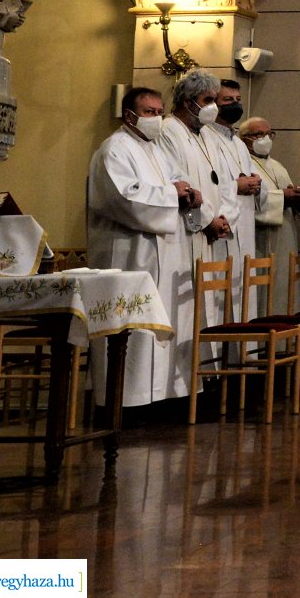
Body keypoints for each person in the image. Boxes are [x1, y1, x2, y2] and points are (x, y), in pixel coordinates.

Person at [86, 87, 204, 413]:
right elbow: (122, 198)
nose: (157, 118)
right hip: (128, 255)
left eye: (159, 111)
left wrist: (190, 194)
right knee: (131, 328)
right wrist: (172, 194)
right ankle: (122, 403)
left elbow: (180, 181)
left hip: (160, 254)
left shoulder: (156, 151)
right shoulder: (114, 150)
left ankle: (157, 399)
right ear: (130, 116)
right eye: (150, 112)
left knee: (157, 328)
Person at [158, 71, 235, 321]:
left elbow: (222, 180)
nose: (212, 107)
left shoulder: (207, 135)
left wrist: (223, 216)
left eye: (214, 100)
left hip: (209, 231)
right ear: (187, 102)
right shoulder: (168, 131)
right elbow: (178, 181)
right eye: (207, 100)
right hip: (186, 230)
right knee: (186, 309)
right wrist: (208, 219)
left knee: (206, 308)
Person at [237, 116, 300, 308]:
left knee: (286, 286)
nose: (265, 138)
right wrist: (284, 197)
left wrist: (298, 198)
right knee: (265, 293)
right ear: (244, 138)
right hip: (261, 239)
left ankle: (287, 335)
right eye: (259, 134)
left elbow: (286, 193)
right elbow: (249, 201)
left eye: (269, 134)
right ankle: (264, 336)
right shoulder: (243, 165)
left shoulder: (277, 165)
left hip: (286, 236)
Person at [211, 79, 265, 268]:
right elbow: (207, 183)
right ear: (213, 104)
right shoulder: (207, 139)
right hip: (224, 226)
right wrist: (236, 186)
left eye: (238, 99)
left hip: (246, 224)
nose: (234, 104)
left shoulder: (239, 144)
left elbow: (257, 180)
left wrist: (257, 184)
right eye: (227, 100)